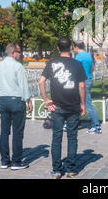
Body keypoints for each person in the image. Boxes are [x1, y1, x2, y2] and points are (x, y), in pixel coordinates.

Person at [38, 37, 87, 179]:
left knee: (56, 138)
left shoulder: (51, 63)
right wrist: (82, 104)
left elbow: (41, 81)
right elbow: (82, 86)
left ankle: (57, 170)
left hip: (57, 107)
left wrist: (46, 100)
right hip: (73, 106)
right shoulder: (77, 64)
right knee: (72, 137)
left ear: (58, 48)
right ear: (71, 47)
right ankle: (71, 169)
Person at [0, 43, 33, 170]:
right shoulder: (17, 66)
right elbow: (23, 85)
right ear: (13, 53)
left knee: (4, 131)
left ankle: (4, 160)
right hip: (16, 100)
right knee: (17, 132)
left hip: (3, 100)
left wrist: (0, 95)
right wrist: (28, 100)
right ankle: (16, 162)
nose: (20, 55)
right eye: (19, 52)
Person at [73, 41, 101, 135]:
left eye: (74, 47)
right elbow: (92, 68)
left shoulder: (78, 57)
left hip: (82, 82)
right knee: (78, 102)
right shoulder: (89, 55)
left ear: (76, 47)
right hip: (88, 80)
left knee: (87, 103)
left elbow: (74, 70)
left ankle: (96, 126)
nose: (73, 49)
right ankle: (74, 122)